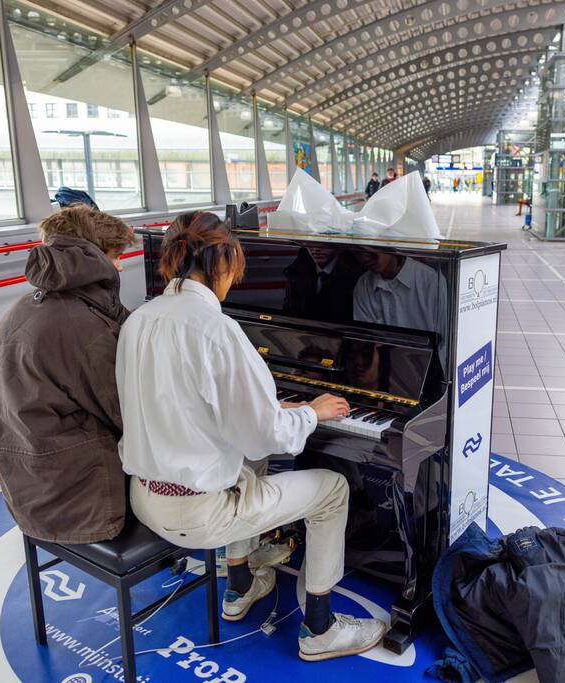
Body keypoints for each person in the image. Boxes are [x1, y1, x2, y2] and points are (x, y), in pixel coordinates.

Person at [117, 211, 386, 662]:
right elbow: (266, 437)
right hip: (200, 512)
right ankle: (320, 628)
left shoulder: (139, 320)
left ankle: (240, 584)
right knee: (334, 490)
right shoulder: (216, 329)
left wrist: (270, 405)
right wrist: (313, 413)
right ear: (222, 261)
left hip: (144, 496)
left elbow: (185, 405)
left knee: (249, 462)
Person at [0, 205, 136, 542]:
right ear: (93, 257)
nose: (121, 265)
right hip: (82, 502)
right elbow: (128, 414)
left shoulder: (28, 305)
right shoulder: (82, 327)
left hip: (32, 487)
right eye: (115, 255)